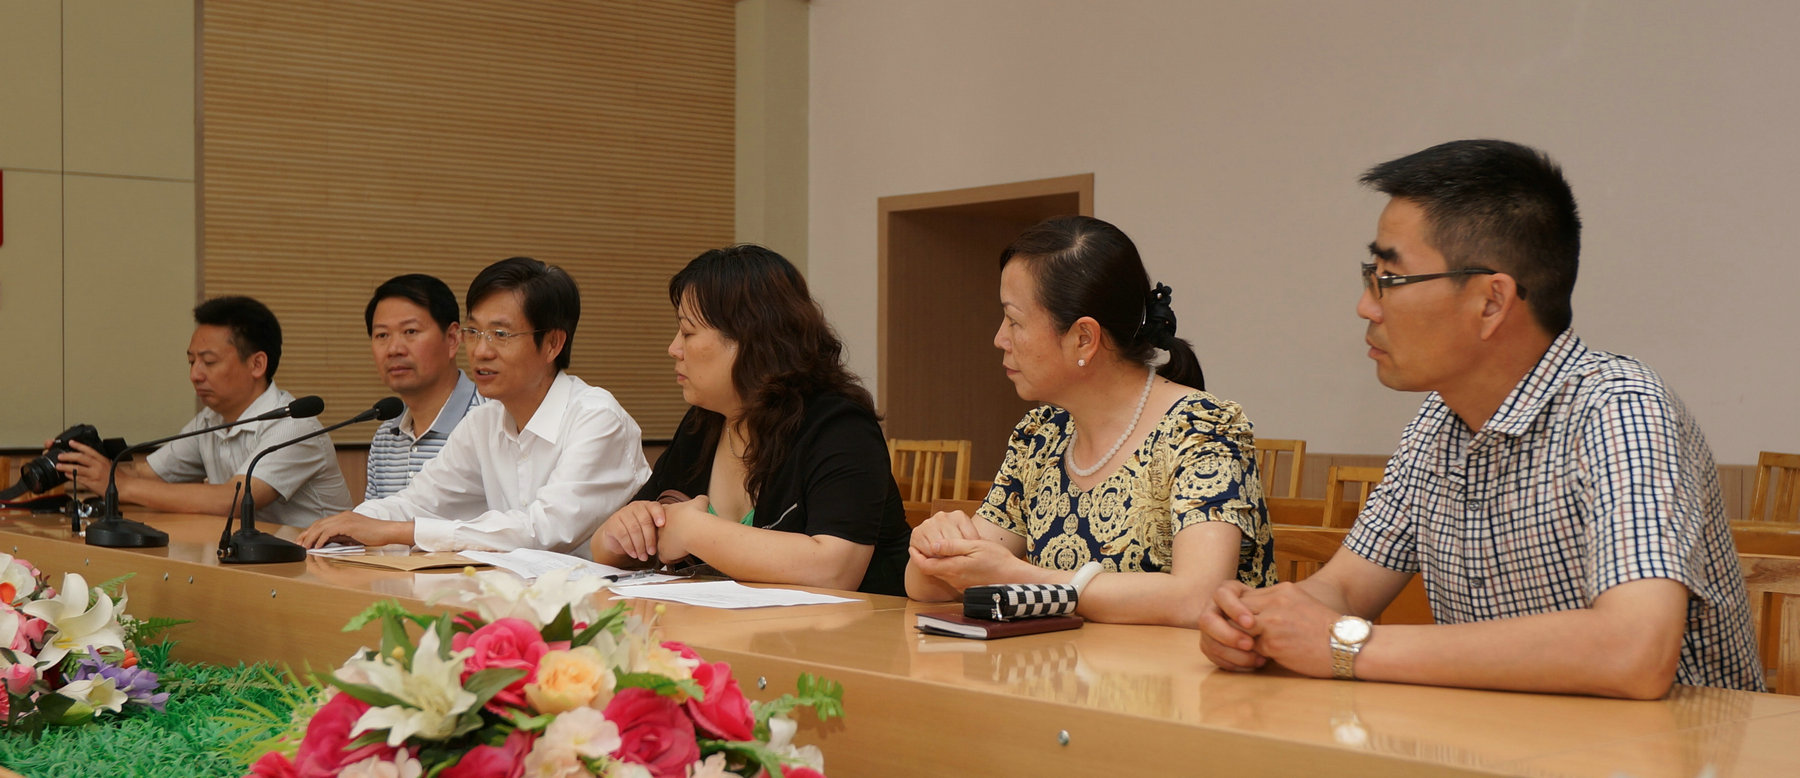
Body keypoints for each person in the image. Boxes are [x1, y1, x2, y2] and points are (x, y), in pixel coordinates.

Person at [1198, 139, 1763, 698]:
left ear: (1492, 302)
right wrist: (1254, 624)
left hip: (1667, 744)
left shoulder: (1620, 409)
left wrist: (1347, 646)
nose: (1366, 306)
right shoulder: (1437, 423)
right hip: (1508, 737)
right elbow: (1344, 588)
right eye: (1370, 275)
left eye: (1389, 278)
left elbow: (1635, 650)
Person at [906, 216, 1276, 626]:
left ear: (1083, 338)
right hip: (1064, 666)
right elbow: (929, 586)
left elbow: (1198, 599)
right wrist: (933, 547)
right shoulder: (1040, 436)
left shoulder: (1201, 430)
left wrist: (1017, 576)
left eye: (1014, 321)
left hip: (1183, 669)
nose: (1000, 339)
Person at [590, 245, 911, 595]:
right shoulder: (705, 422)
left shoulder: (840, 426)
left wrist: (693, 531)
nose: (674, 349)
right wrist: (618, 534)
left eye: (687, 332)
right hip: (738, 624)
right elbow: (612, 548)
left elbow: (834, 570)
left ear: (750, 339)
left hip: (858, 626)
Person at [297, 257, 650, 556]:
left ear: (552, 344)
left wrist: (397, 531)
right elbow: (420, 500)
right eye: (474, 332)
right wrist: (349, 524)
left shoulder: (597, 418)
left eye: (501, 334)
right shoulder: (484, 422)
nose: (481, 351)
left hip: (607, 604)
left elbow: (544, 530)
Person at [54, 296, 352, 526]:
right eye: (191, 362)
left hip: (322, 567)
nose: (195, 375)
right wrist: (76, 463)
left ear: (257, 364)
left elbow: (234, 499)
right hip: (254, 561)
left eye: (208, 362)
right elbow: (150, 476)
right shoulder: (210, 420)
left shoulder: (295, 425)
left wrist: (122, 484)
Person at [361, 274, 484, 500]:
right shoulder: (385, 438)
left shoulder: (490, 420)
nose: (394, 349)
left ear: (452, 339)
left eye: (410, 331)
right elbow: (371, 520)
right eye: (382, 335)